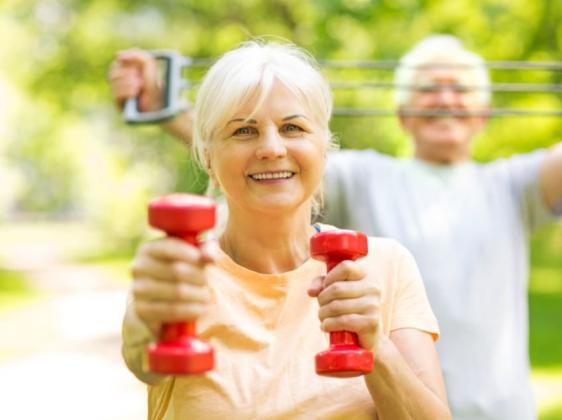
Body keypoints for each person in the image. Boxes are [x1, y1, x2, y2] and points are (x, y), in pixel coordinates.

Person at [111, 35, 562, 420]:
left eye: (460, 91)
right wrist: (164, 106)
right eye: (429, 89)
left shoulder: (510, 183)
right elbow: (262, 151)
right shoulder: (364, 175)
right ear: (402, 114)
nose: (273, 145)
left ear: (483, 113)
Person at [121, 40, 451, 419]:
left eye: (292, 127)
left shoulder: (384, 265)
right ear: (209, 157)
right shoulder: (181, 273)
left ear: (324, 150)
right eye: (244, 131)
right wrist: (145, 320)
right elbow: (142, 355)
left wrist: (375, 346)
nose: (272, 148)